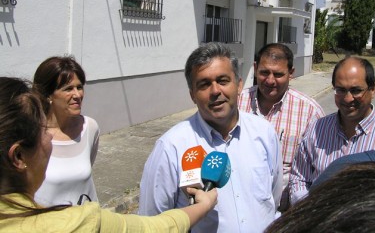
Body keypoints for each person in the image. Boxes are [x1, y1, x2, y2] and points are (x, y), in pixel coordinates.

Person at [0, 77, 217, 232]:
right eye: (42, 131)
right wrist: (203, 206)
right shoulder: (73, 224)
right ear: (18, 156)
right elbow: (154, 228)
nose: (49, 138)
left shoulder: (90, 127)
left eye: (79, 86)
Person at [139, 42, 283, 232]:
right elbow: (152, 223)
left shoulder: (264, 132)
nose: (215, 91)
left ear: (239, 85)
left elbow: (274, 196)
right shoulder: (171, 147)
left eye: (223, 80)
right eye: (204, 84)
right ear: (192, 95)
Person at [289, 56, 375, 203]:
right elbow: (299, 179)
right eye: (341, 90)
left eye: (356, 90)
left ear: (373, 89)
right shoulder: (316, 130)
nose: (348, 98)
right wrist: (312, 213)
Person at [238, 43, 324, 210]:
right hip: (241, 209)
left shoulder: (309, 112)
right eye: (264, 73)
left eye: (278, 74)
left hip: (286, 213)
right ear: (255, 68)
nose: (270, 81)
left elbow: (317, 168)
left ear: (291, 73)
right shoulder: (237, 103)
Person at [32, 56, 99, 206]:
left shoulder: (89, 128)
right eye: (68, 89)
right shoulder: (33, 134)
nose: (77, 95)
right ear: (48, 94)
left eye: (79, 87)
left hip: (86, 223)